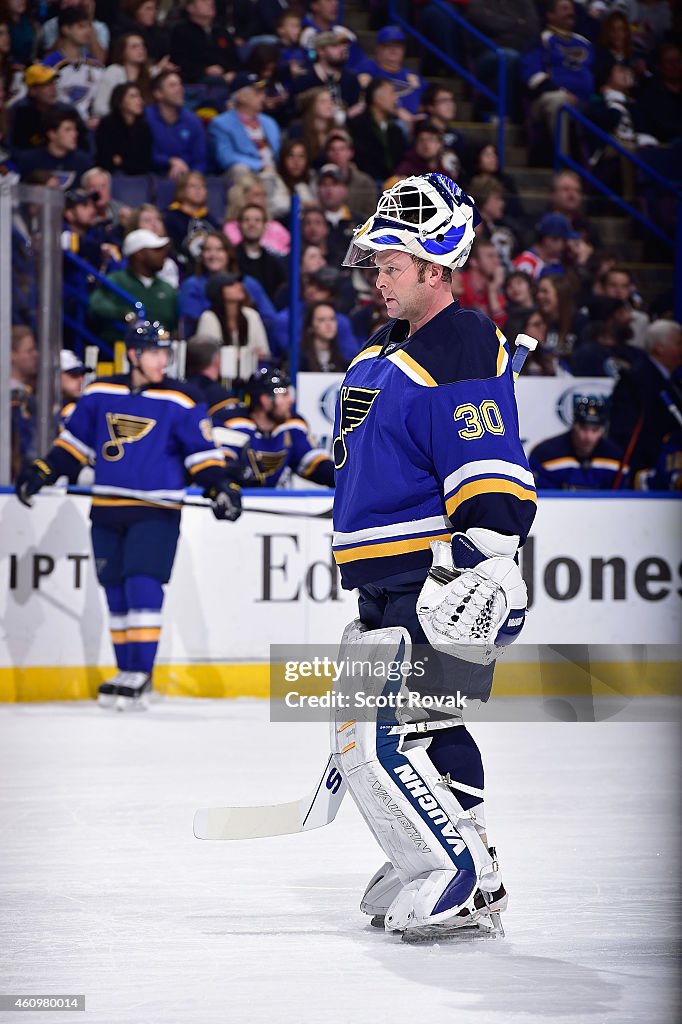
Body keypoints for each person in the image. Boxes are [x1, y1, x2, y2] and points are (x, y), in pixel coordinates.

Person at [330, 173, 536, 939]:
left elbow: (485, 457)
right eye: (376, 265)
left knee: (407, 728)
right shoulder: (390, 350)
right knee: (380, 733)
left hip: (428, 568)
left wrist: (487, 554)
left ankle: (463, 871)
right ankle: (437, 853)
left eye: (392, 264)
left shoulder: (459, 341)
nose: (378, 279)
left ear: (437, 266)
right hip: (384, 571)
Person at [15, 320, 242, 710]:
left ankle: (141, 671)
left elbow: (202, 455)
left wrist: (220, 486)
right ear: (134, 354)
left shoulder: (181, 399)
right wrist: (43, 470)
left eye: (165, 353)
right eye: (154, 352)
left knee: (142, 586)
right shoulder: (100, 392)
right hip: (106, 509)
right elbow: (73, 446)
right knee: (116, 591)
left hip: (155, 511)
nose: (162, 360)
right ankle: (125, 669)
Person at [215, 366, 335, 487]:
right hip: (236, 499)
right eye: (284, 395)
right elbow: (220, 465)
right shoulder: (233, 424)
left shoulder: (292, 425)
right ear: (265, 400)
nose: (291, 400)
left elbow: (312, 462)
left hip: (274, 503)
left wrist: (341, 477)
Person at [608, 319, 682, 483]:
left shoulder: (674, 381)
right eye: (678, 343)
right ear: (659, 348)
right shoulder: (634, 379)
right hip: (644, 468)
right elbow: (625, 430)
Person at [179, 230, 275, 338]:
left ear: (228, 253)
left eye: (219, 250)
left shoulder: (248, 283)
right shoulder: (192, 285)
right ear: (202, 255)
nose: (213, 255)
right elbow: (189, 324)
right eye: (207, 250)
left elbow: (269, 319)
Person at [88, 228, 178, 343]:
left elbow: (175, 325)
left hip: (160, 351)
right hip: (119, 348)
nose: (163, 254)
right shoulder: (116, 280)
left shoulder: (167, 288)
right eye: (156, 250)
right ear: (139, 254)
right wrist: (122, 313)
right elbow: (96, 304)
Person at [529, 395, 626, 489]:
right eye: (583, 428)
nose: (588, 436)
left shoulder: (616, 458)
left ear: (603, 430)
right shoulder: (545, 455)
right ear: (574, 425)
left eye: (595, 430)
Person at [208, 71, 280, 179]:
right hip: (248, 175)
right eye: (257, 93)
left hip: (274, 172)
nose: (263, 97)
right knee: (239, 169)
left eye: (263, 92)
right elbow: (226, 157)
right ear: (241, 97)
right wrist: (260, 166)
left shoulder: (270, 122)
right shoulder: (220, 124)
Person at [197, 271, 271, 374]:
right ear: (218, 291)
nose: (240, 286)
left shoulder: (252, 316)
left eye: (239, 283)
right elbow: (210, 356)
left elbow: (264, 353)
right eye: (231, 285)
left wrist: (237, 355)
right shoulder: (208, 318)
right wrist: (249, 354)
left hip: (251, 376)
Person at [41, 5, 103, 128]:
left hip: (89, 129)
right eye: (81, 26)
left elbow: (100, 102)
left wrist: (97, 117)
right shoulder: (48, 66)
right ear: (66, 29)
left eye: (89, 26)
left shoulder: (95, 66)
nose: (88, 31)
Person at [145, 70, 208, 178]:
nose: (180, 89)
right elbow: (144, 155)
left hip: (186, 177)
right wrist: (169, 161)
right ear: (158, 94)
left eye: (180, 84)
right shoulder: (145, 118)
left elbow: (200, 159)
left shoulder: (193, 121)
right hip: (152, 176)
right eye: (172, 85)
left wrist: (193, 177)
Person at [348, 78, 406, 183]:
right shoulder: (357, 126)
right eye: (391, 93)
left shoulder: (396, 129)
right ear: (377, 98)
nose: (395, 99)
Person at [16, 106, 91, 185]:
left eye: (75, 129)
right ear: (52, 134)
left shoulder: (83, 162)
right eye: (68, 130)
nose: (75, 134)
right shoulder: (29, 160)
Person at [94, 81, 154, 175]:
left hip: (139, 176)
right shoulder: (107, 124)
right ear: (120, 101)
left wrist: (121, 161)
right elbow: (105, 158)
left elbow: (145, 161)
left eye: (139, 96)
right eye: (133, 96)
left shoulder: (144, 127)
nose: (139, 101)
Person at [234, 203, 288, 297]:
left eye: (257, 220)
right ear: (239, 225)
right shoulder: (231, 258)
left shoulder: (274, 263)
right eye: (246, 220)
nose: (252, 224)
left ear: (265, 226)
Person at [322, 128, 376, 220]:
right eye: (332, 149)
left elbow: (371, 215)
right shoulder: (318, 180)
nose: (337, 153)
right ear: (327, 154)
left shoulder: (364, 182)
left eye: (342, 149)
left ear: (351, 152)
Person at [512, 213, 578, 281]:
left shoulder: (555, 261)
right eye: (564, 240)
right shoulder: (526, 263)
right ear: (548, 240)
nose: (566, 245)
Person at [300, 300, 348, 372]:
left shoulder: (343, 358)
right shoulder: (299, 358)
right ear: (310, 326)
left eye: (332, 319)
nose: (328, 324)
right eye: (322, 320)